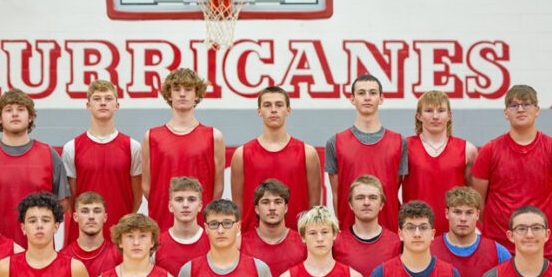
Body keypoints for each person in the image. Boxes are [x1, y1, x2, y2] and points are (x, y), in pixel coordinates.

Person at [471, 85, 552, 262]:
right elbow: (478, 203)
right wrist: (500, 228)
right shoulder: (490, 150)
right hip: (499, 248)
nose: (520, 109)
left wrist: (537, 232)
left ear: (537, 110)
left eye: (526, 104)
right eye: (514, 105)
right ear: (506, 113)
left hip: (542, 249)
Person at [0, 88, 71, 247]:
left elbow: (63, 203)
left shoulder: (49, 155)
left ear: (31, 117)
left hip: (38, 252)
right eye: (8, 110)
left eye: (21, 109)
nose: (14, 114)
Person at [142, 68, 225, 228]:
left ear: (197, 95)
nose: (182, 94)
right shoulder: (151, 136)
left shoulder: (214, 136)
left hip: (201, 223)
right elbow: (147, 186)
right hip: (162, 221)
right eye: (176, 89)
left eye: (188, 89)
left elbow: (218, 187)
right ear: (169, 95)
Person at [61, 80, 142, 242]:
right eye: (97, 99)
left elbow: (137, 196)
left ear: (117, 105)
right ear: (88, 105)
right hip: (84, 236)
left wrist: (123, 224)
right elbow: (71, 200)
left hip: (120, 235)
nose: (103, 103)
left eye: (108, 98)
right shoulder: (72, 147)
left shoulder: (133, 146)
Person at [230, 86, 321, 231]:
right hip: (252, 242)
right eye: (267, 105)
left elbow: (314, 208)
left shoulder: (307, 153)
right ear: (259, 111)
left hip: (297, 240)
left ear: (288, 110)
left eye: (279, 105)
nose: (273, 110)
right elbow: (238, 209)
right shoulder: (242, 154)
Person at [325, 74, 407, 231]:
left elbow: (394, 188)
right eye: (361, 93)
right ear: (352, 99)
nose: (367, 98)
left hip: (389, 231)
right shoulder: (335, 142)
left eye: (373, 93)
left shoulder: (399, 142)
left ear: (381, 99)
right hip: (349, 232)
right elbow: (337, 195)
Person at [402, 90, 478, 234]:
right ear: (419, 116)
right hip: (416, 231)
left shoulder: (468, 150)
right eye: (429, 110)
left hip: (454, 233)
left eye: (441, 110)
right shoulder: (405, 147)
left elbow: (474, 197)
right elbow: (392, 192)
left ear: (449, 115)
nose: (435, 116)